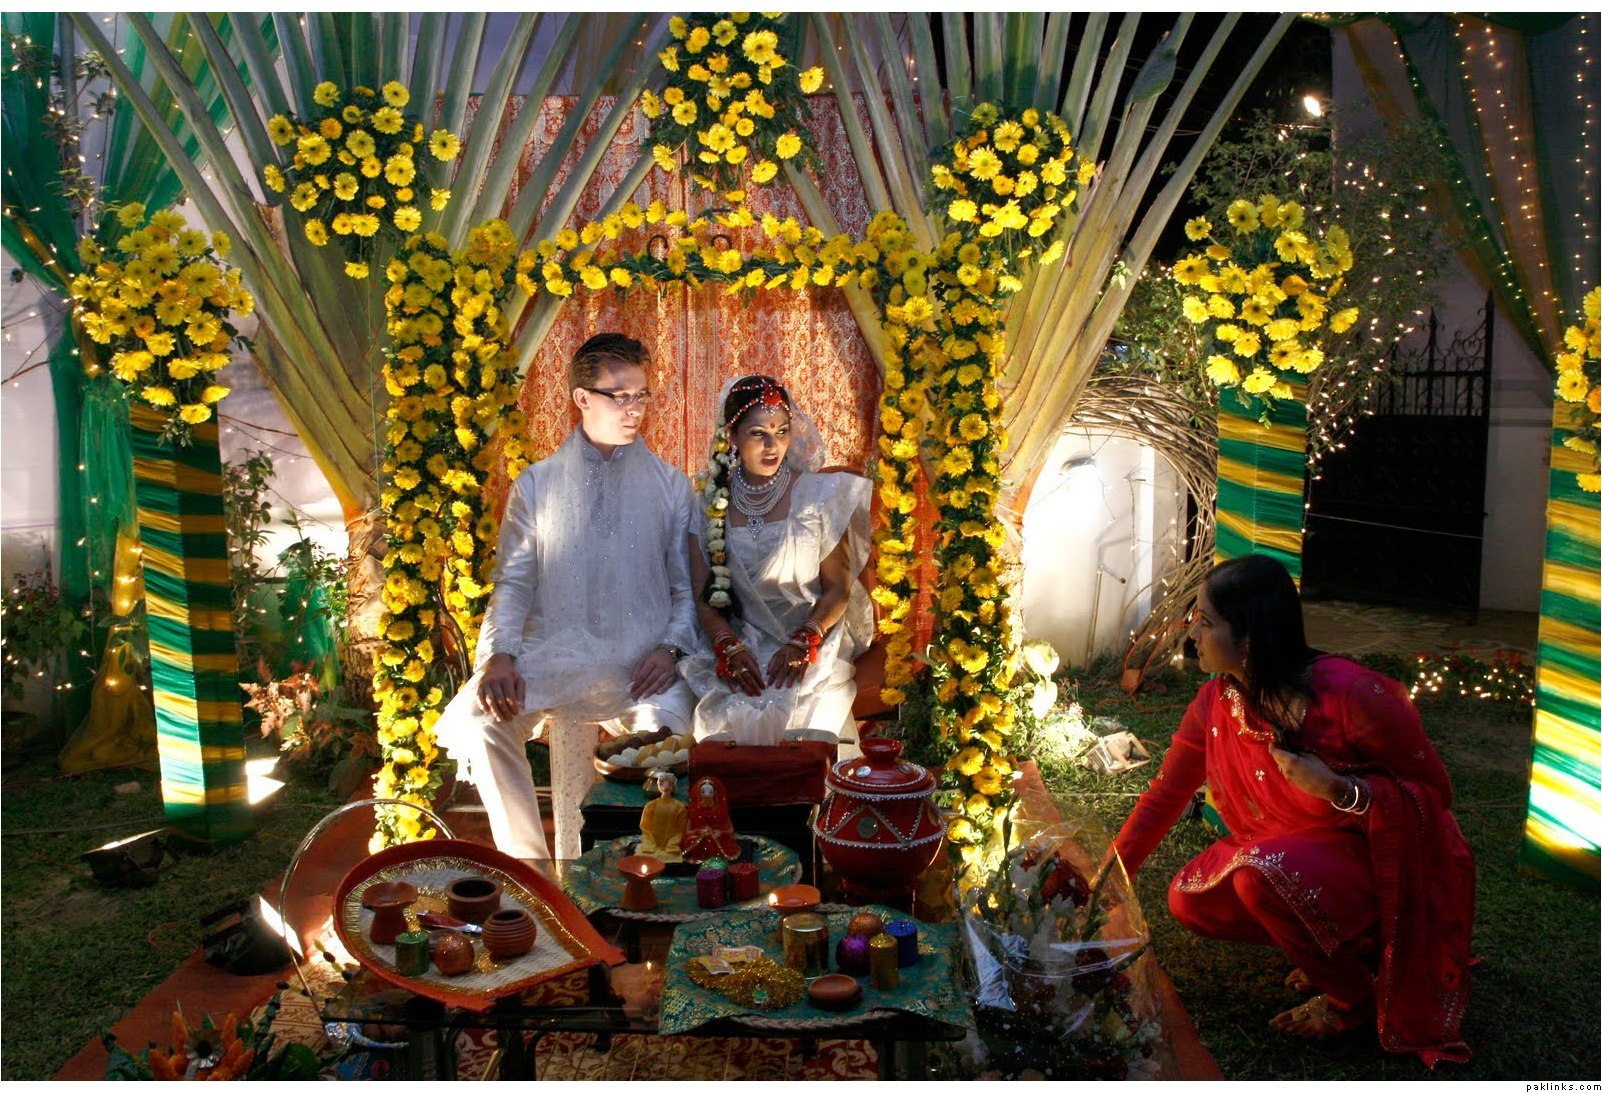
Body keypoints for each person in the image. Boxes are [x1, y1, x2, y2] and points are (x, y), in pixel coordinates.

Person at [1112, 554, 1474, 1066]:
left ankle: (1351, 998)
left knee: (1259, 876)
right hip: (1294, 855)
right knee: (1189, 901)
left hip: (1384, 861)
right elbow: (1165, 795)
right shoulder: (1218, 700)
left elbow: (1434, 795)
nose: (1192, 633)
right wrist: (1111, 875)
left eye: (1206, 621)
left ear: (1249, 638)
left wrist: (1339, 789)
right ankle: (1336, 947)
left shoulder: (1352, 696)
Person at [436, 333, 699, 861]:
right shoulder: (537, 485)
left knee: (668, 737)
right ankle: (530, 870)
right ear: (582, 397)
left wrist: (669, 649)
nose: (634, 409)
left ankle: (642, 868)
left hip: (642, 660)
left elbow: (684, 588)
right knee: (485, 723)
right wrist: (499, 656)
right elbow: (513, 583)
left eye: (641, 395)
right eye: (619, 396)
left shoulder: (672, 486)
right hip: (556, 651)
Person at [678, 374, 872, 752]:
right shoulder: (706, 503)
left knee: (804, 727)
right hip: (741, 640)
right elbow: (704, 599)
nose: (773, 446)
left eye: (781, 431)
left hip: (812, 632)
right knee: (726, 729)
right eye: (758, 434)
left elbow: (838, 589)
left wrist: (804, 641)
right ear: (732, 437)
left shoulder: (818, 496)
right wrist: (729, 648)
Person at [638, 770, 688, 862]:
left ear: (673, 786)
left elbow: (680, 830)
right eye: (662, 784)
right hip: (651, 845)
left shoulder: (679, 807)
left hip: (670, 848)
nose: (665, 787)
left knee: (669, 859)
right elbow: (645, 827)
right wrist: (649, 844)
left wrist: (672, 845)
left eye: (669, 784)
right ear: (658, 786)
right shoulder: (651, 805)